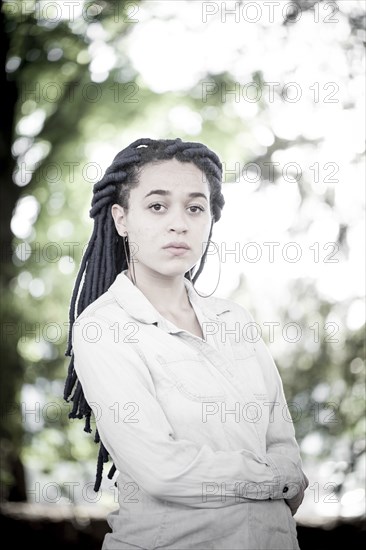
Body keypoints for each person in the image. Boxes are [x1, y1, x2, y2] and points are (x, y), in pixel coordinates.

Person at [64, 137, 309, 550]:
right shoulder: (103, 328)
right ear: (121, 219)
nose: (179, 223)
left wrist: (284, 475)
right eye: (157, 206)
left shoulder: (236, 320)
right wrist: (275, 480)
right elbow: (163, 469)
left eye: (195, 207)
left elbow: (282, 442)